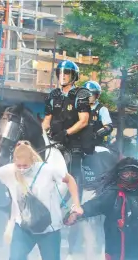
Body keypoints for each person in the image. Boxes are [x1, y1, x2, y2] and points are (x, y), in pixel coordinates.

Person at [42, 60, 91, 197]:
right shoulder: (53, 95)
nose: (62, 76)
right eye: (60, 73)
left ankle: (76, 203)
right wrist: (42, 135)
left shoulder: (81, 94)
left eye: (66, 73)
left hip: (73, 141)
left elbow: (83, 121)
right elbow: (47, 121)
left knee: (75, 166)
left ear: (74, 76)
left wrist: (66, 133)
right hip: (54, 139)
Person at [83, 80, 113, 147]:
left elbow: (108, 127)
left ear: (97, 95)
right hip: (79, 144)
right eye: (86, 94)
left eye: (91, 94)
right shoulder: (79, 109)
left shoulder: (102, 109)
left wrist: (96, 134)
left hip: (95, 146)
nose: (88, 96)